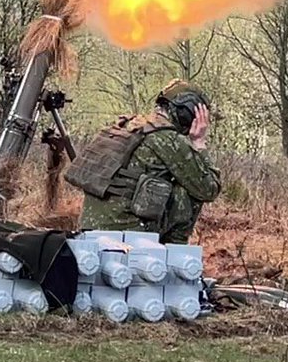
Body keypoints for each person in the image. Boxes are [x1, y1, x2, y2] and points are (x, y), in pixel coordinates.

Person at [64, 80, 221, 243]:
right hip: (129, 231)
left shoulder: (127, 126)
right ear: (186, 112)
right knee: (191, 190)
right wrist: (199, 143)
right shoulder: (167, 139)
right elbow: (209, 189)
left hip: (89, 227)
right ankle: (173, 249)